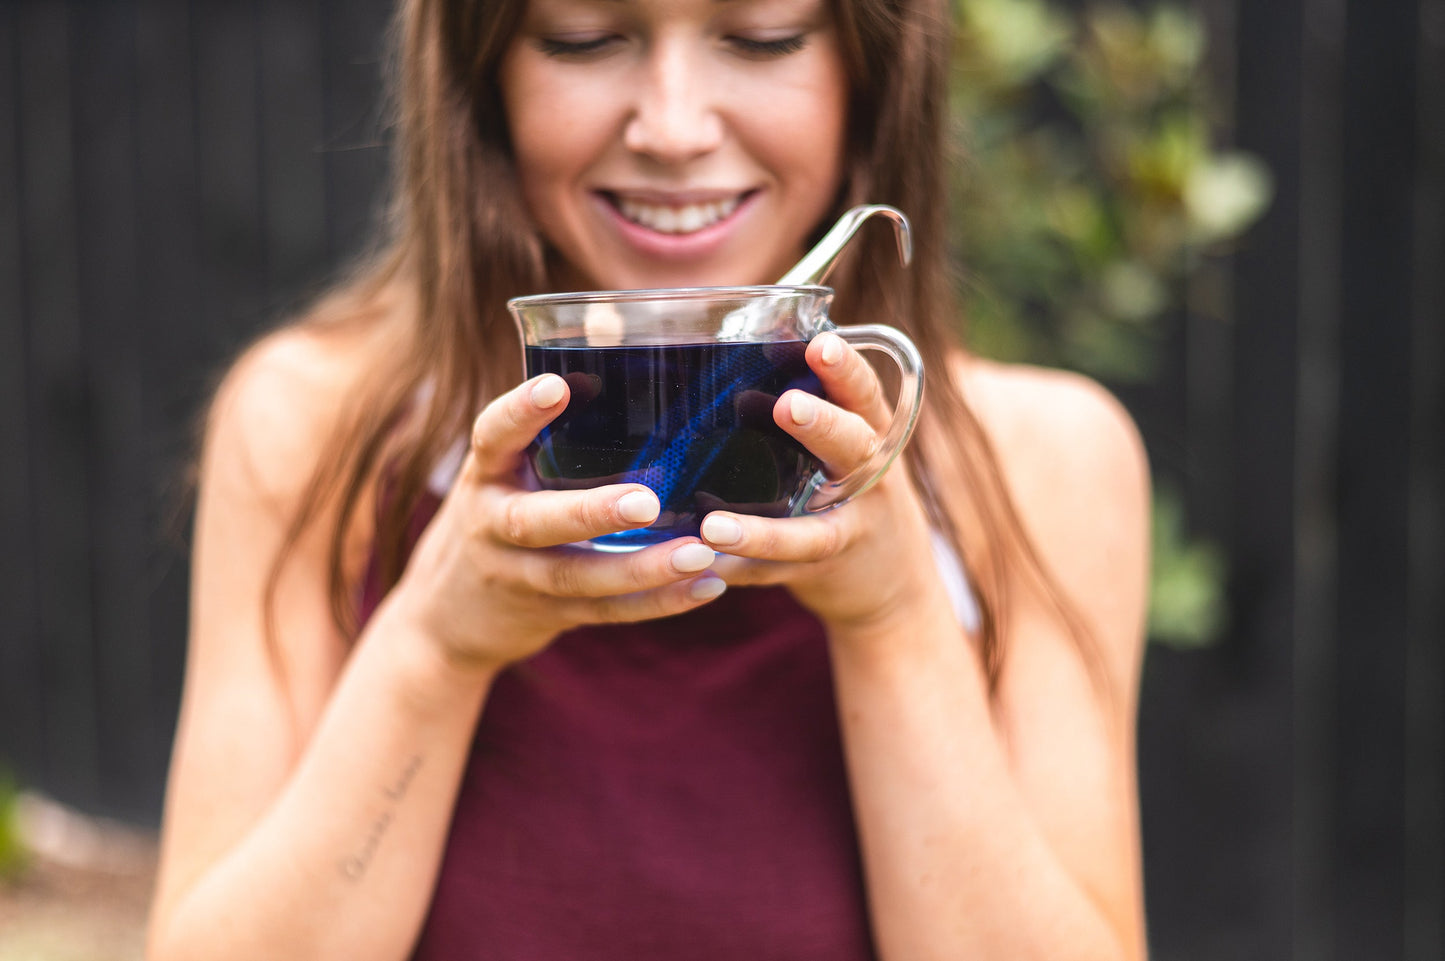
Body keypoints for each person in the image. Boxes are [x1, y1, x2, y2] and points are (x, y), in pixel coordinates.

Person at [146, 0, 1151, 958]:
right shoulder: (312, 435)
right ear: (482, 73)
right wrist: (434, 644)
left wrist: (890, 614)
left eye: (761, 38)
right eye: (584, 39)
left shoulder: (1042, 468)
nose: (671, 126)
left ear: (871, 74)